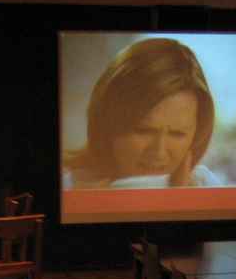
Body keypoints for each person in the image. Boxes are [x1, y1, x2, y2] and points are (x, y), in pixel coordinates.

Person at [64, 38, 219, 189]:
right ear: (108, 122)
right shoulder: (66, 188)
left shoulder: (203, 185)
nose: (159, 152)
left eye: (177, 134)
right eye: (143, 130)